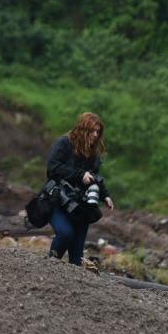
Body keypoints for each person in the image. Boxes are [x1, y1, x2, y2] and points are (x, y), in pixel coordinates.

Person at [46, 111, 115, 265]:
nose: (95, 135)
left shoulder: (93, 154)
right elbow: (52, 169)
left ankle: (69, 284)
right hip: (58, 200)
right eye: (92, 131)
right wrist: (79, 175)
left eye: (98, 132)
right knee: (65, 234)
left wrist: (105, 195)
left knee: (77, 257)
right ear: (83, 129)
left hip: (81, 207)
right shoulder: (64, 143)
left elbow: (94, 177)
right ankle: (49, 267)